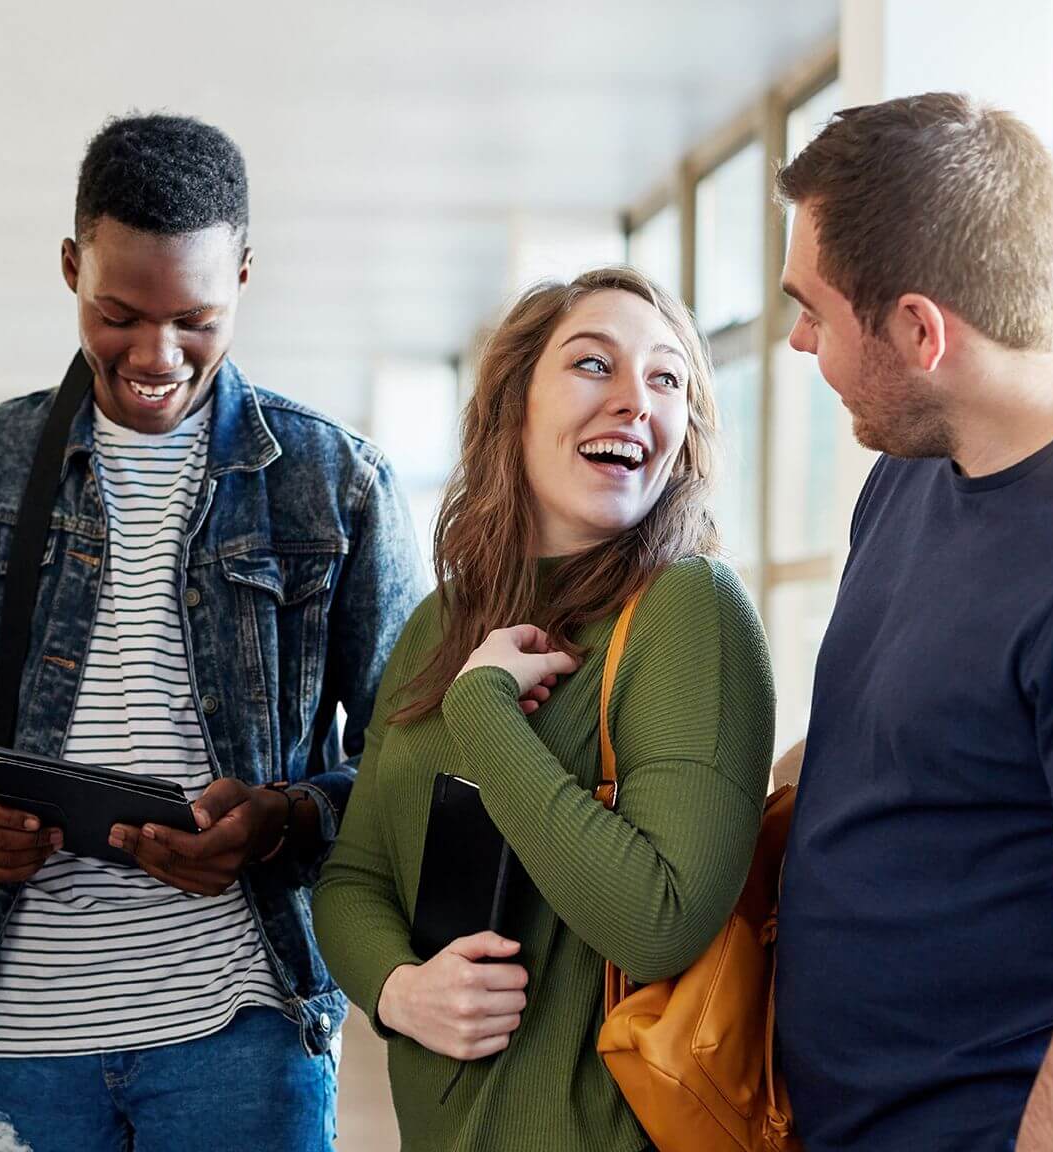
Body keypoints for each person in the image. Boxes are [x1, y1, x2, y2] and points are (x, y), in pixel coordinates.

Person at [0, 113, 426, 1151]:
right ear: (71, 267)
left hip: (242, 1029)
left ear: (245, 276)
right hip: (15, 1031)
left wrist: (285, 818)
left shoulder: (339, 485)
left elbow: (406, 761)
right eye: (118, 314)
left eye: (195, 318)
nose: (155, 354)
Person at [313, 265, 776, 1150]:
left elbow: (659, 924)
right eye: (595, 364)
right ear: (514, 404)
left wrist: (485, 712)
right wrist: (401, 991)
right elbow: (354, 877)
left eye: (667, 379)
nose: (635, 400)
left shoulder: (689, 608)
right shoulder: (440, 621)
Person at [774, 92, 1053, 1152]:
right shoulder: (913, 468)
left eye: (814, 311)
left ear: (918, 329)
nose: (798, 341)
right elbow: (883, 750)